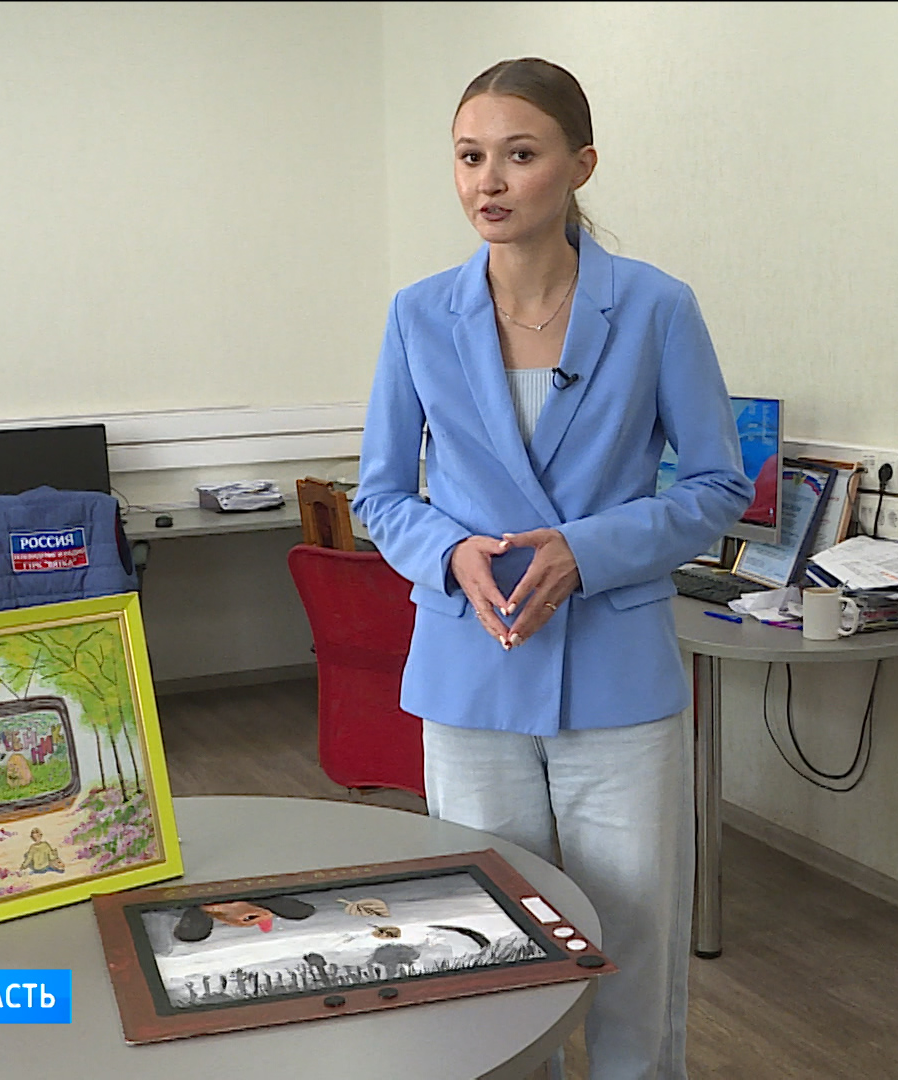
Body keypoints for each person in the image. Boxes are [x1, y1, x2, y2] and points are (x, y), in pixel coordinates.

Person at [352, 57, 752, 1080]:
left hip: (616, 674)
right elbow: (380, 496)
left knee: (633, 933)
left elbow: (719, 485)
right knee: (489, 940)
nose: (488, 181)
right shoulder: (417, 315)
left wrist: (588, 551)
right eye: (469, 157)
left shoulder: (656, 307)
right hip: (473, 670)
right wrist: (449, 553)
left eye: (519, 155)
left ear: (580, 165)